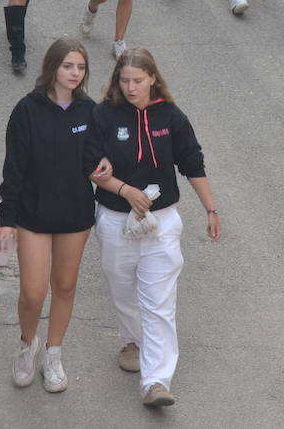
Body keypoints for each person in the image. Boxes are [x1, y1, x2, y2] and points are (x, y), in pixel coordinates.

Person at [89, 48, 220, 409]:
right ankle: (133, 339)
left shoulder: (171, 117)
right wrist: (124, 189)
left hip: (162, 222)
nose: (131, 88)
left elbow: (192, 161)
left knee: (160, 302)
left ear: (152, 79)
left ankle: (156, 381)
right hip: (116, 219)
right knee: (121, 286)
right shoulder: (103, 116)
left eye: (138, 80)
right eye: (124, 80)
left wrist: (211, 208)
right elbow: (90, 166)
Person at [0, 38, 112, 393]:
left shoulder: (91, 112)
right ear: (53, 68)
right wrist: (6, 219)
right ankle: (27, 346)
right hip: (32, 215)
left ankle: (53, 354)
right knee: (32, 292)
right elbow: (13, 168)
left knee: (64, 286)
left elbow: (100, 155)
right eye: (68, 66)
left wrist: (108, 163)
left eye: (81, 67)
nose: (75, 73)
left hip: (75, 216)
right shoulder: (27, 110)